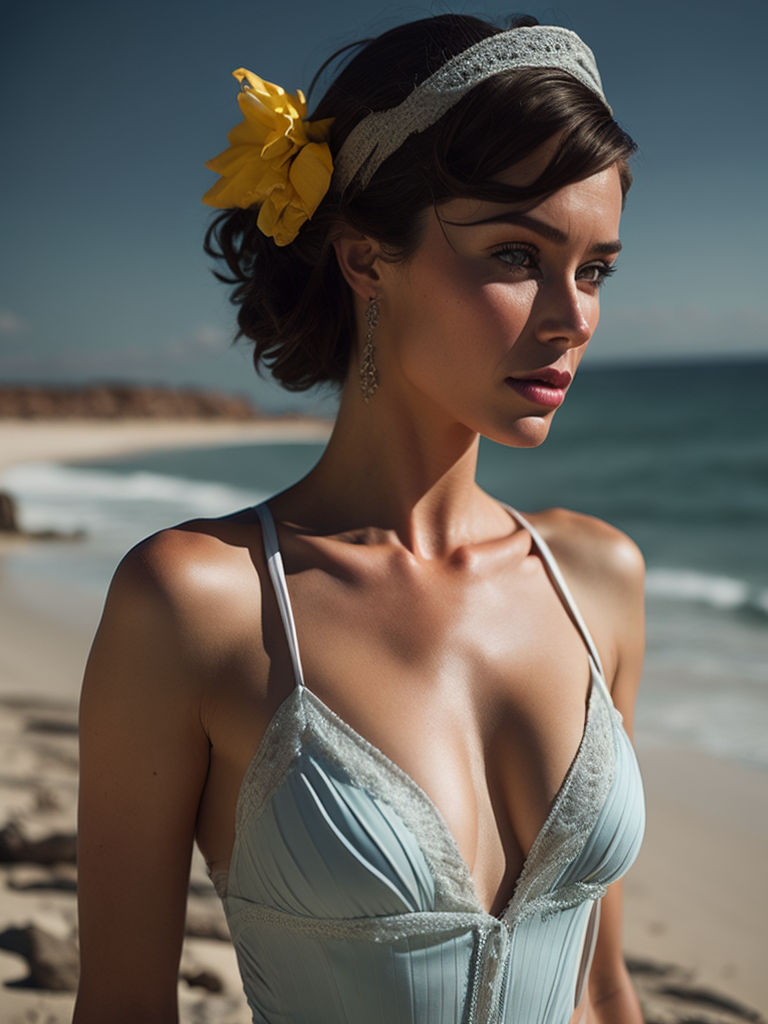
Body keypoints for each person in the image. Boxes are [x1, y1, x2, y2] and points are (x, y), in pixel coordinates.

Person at [73, 13, 646, 1024]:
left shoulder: (598, 579)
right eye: (518, 254)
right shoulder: (198, 605)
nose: (573, 317)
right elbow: (122, 1006)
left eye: (594, 267)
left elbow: (603, 991)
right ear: (365, 260)